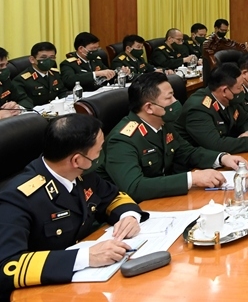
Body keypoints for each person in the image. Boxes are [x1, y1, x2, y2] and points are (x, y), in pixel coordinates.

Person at [0, 114, 147, 296]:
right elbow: (8, 266)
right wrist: (85, 257)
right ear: (77, 160)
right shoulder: (17, 197)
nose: (101, 155)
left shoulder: (82, 175)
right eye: (99, 150)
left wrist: (129, 216)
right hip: (44, 293)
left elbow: (114, 197)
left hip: (89, 286)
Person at [98, 72, 244, 202]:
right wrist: (192, 179)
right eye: (169, 98)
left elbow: (187, 152)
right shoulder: (122, 140)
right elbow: (134, 187)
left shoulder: (163, 123)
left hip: (162, 199)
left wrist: (222, 158)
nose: (175, 102)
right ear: (149, 107)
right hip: (132, 213)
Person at [177, 63, 248, 154]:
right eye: (239, 87)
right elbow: (216, 144)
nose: (242, 91)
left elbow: (247, 119)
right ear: (224, 90)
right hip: (199, 165)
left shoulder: (229, 98)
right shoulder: (198, 109)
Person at [12, 42, 68, 109]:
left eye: (52, 57)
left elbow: (62, 92)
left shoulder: (55, 73)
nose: (48, 61)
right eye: (43, 57)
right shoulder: (21, 80)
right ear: (32, 59)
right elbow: (24, 103)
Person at [0, 47, 24, 119]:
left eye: (6, 65)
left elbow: (22, 98)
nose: (5, 69)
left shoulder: (5, 81)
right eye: (0, 65)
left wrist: (16, 106)